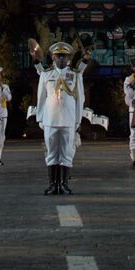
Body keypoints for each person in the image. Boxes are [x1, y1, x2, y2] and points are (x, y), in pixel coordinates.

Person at [38, 41, 85, 195]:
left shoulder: (75, 75)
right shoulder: (46, 74)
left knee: (66, 152)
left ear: (69, 58)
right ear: (53, 57)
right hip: (50, 118)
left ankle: (63, 184)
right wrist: (40, 118)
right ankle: (53, 184)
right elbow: (41, 98)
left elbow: (80, 99)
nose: (61, 59)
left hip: (68, 118)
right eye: (58, 56)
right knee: (51, 152)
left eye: (64, 56)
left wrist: (78, 119)